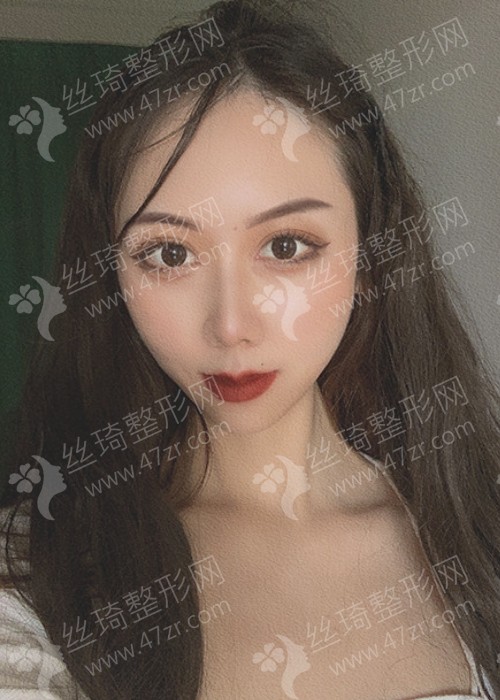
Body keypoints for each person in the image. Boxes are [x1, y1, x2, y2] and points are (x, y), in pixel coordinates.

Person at [1, 0, 499, 698]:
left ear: (372, 254)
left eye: (287, 246)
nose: (231, 325)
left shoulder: (478, 526)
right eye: (169, 253)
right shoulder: (36, 579)